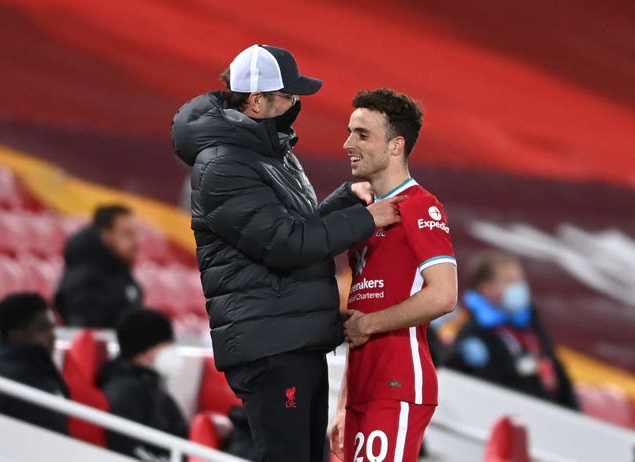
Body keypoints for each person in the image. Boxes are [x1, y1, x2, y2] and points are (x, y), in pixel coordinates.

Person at [171, 44, 403, 462]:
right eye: (287, 95)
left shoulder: (271, 152)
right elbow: (287, 244)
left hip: (293, 338)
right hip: (270, 345)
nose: (296, 104)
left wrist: (348, 199)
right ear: (257, 101)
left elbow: (302, 225)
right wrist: (369, 220)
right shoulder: (222, 164)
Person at [329, 88, 458, 462]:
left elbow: (443, 296)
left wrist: (370, 325)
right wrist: (343, 403)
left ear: (396, 145)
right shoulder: (366, 217)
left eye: (362, 134)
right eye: (350, 131)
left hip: (398, 382)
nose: (347, 143)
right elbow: (357, 321)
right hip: (363, 386)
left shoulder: (421, 205)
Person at [444, 250, 579, 409]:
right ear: (486, 289)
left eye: (520, 279)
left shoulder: (533, 327)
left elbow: (558, 374)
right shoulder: (474, 336)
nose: (519, 286)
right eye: (510, 281)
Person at [97, 309, 188, 461]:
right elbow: (126, 447)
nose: (172, 351)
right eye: (166, 344)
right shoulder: (124, 392)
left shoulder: (149, 386)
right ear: (144, 350)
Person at [54, 204, 143, 328]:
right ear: (106, 235)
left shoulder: (123, 274)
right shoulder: (84, 280)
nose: (136, 242)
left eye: (136, 234)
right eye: (127, 234)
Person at [0, 292, 70, 435]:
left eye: (52, 328)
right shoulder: (25, 379)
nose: (53, 336)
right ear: (17, 335)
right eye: (43, 329)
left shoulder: (35, 367)